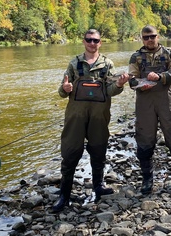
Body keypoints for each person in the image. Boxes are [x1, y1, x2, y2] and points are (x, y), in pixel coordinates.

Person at [53, 29, 129, 212]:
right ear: (84, 41)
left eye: (95, 40)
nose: (92, 43)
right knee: (70, 152)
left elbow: (110, 90)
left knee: (98, 151)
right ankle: (64, 195)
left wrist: (119, 84)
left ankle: (99, 187)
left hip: (99, 117)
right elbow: (62, 92)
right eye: (89, 40)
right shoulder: (74, 63)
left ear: (100, 43)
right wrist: (66, 88)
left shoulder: (108, 64)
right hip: (75, 117)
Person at [128, 25, 171, 195]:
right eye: (146, 37)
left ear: (158, 36)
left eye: (152, 36)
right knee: (144, 138)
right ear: (142, 39)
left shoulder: (169, 53)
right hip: (145, 102)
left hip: (166, 100)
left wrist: (161, 77)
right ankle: (147, 180)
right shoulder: (136, 57)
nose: (149, 40)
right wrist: (138, 84)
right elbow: (132, 80)